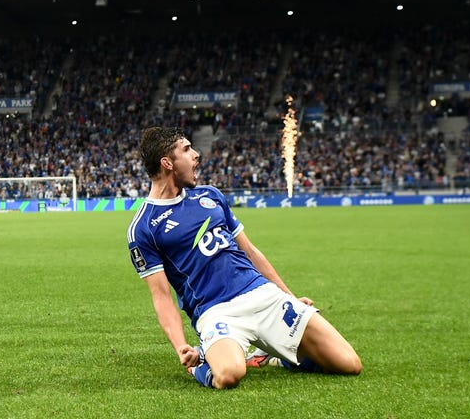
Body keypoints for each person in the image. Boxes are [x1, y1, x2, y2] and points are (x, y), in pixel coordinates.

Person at [126, 127, 361, 389]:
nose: (196, 155)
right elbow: (161, 295)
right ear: (167, 163)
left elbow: (250, 251)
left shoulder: (210, 195)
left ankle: (276, 356)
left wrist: (289, 296)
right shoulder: (143, 228)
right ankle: (201, 363)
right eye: (186, 149)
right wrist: (181, 346)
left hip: (262, 294)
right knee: (228, 375)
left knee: (348, 364)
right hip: (216, 311)